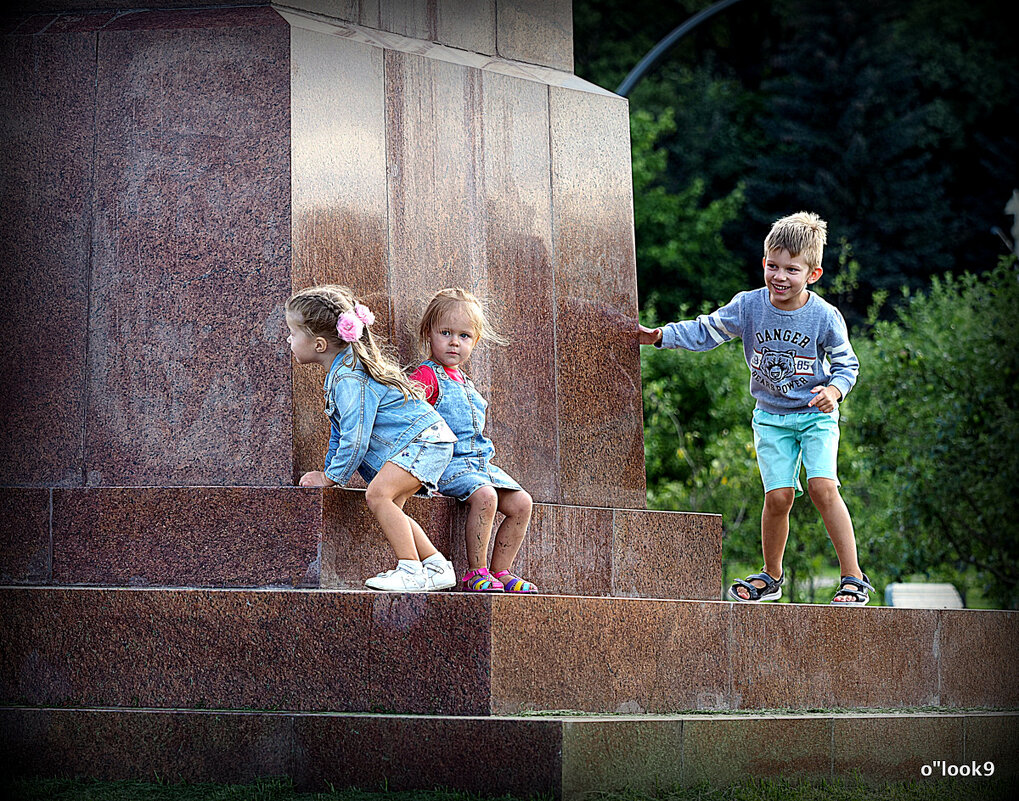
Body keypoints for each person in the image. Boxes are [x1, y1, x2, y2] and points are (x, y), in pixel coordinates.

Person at [638, 212, 872, 605]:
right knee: (778, 496)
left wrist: (834, 390)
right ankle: (771, 576)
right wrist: (662, 336)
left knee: (821, 486)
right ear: (764, 263)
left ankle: (853, 577)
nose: (780, 277)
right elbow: (707, 329)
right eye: (773, 267)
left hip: (815, 415)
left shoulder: (824, 316)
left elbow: (848, 364)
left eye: (791, 270)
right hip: (771, 417)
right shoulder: (749, 306)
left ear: (812, 274)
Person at [285, 284, 458, 593]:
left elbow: (355, 438)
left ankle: (410, 569)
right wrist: (328, 473)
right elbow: (340, 433)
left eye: (294, 333)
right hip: (427, 440)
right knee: (392, 504)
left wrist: (332, 477)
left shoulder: (350, 379)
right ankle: (435, 565)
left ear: (320, 344)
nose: (289, 340)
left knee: (377, 496)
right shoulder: (343, 373)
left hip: (422, 441)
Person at [409, 288, 537, 593]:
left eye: (465, 336)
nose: (455, 341)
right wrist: (422, 478)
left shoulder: (465, 382)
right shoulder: (427, 376)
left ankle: (501, 570)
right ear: (429, 333)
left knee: (522, 503)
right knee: (486, 496)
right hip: (447, 464)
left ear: (475, 341)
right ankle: (475, 572)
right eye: (446, 332)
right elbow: (410, 422)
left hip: (479, 463)